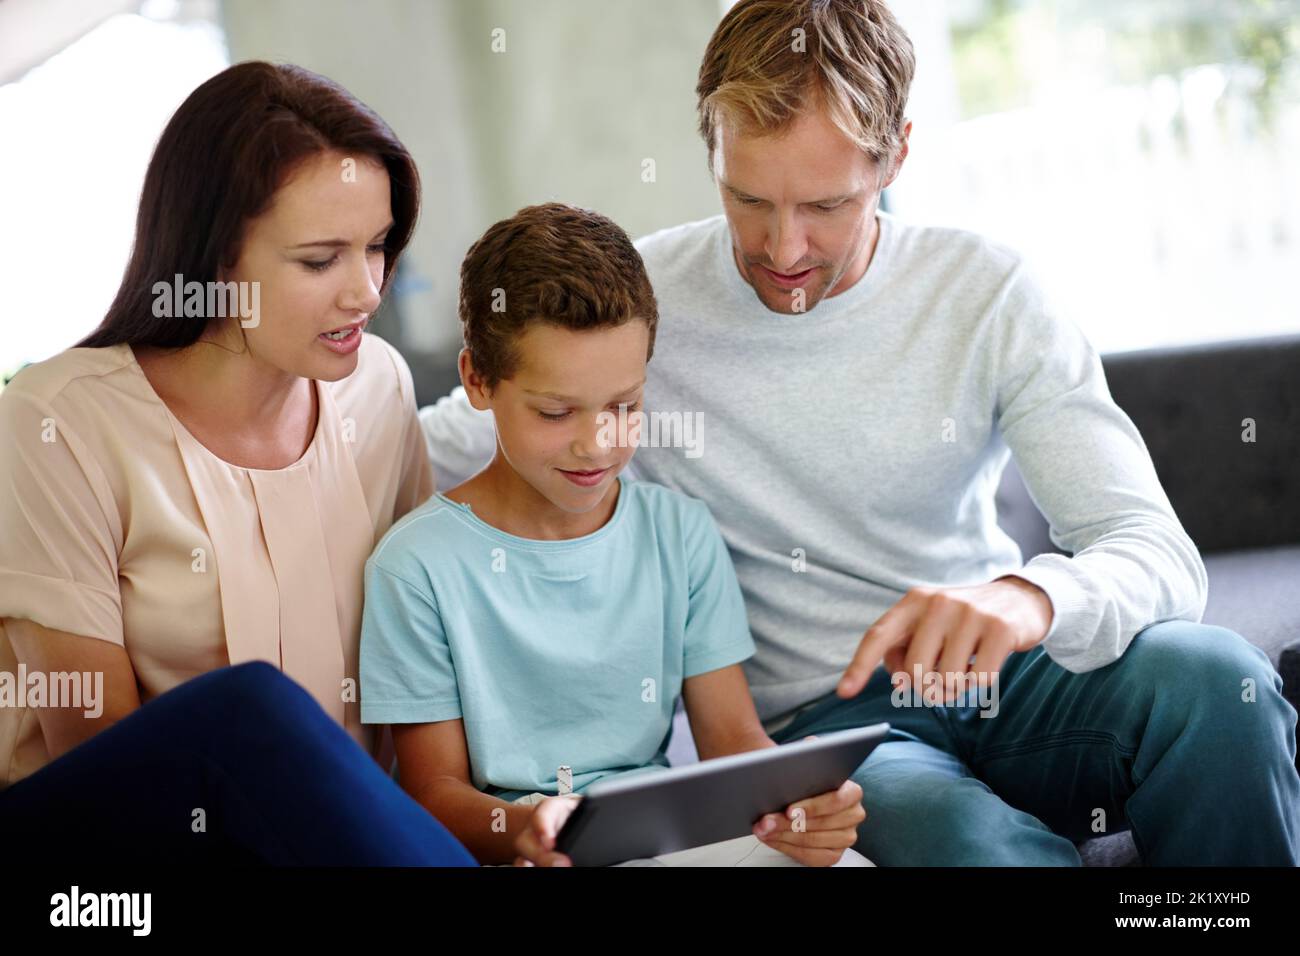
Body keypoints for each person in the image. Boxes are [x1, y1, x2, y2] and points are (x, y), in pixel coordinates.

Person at [416, 0, 1300, 865]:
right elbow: (431, 441)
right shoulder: (636, 306)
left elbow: (1154, 550)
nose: (784, 247)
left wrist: (1026, 599)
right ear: (710, 151)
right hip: (835, 730)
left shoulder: (986, 292)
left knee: (1223, 684)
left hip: (1016, 678)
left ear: (896, 157)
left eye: (827, 205)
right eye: (747, 197)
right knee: (964, 843)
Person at [0, 61, 474, 865]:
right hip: (98, 860)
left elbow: (416, 652)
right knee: (250, 710)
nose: (366, 292)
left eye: (378, 247)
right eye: (321, 260)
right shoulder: (54, 423)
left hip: (326, 839)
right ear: (216, 256)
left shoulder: (379, 388)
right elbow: (105, 762)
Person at [359, 202, 871, 867]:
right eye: (555, 411)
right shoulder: (415, 565)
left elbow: (732, 740)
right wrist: (525, 826)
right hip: (530, 849)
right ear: (478, 381)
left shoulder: (679, 534)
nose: (596, 443)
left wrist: (801, 802)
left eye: (624, 406)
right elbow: (433, 792)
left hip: (665, 836)